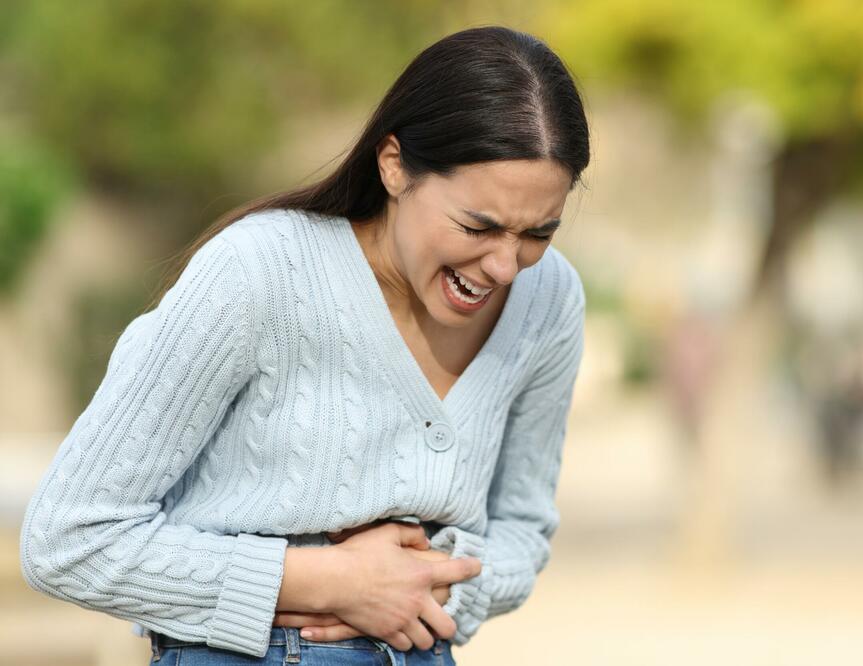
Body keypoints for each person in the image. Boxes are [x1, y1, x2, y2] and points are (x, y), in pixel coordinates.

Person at [19, 24, 590, 665]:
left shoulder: (550, 301)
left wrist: (427, 585)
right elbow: (68, 537)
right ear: (394, 166)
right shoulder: (259, 271)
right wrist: (321, 581)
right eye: (477, 226)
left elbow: (523, 529)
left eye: (538, 233)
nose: (506, 268)